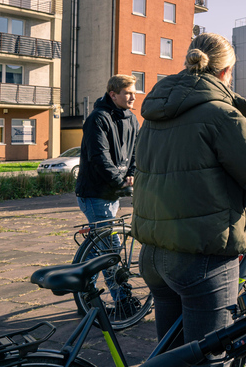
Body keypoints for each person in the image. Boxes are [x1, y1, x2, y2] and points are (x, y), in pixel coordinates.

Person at [132, 33, 246, 345]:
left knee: (173, 354)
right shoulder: (221, 114)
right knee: (210, 355)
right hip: (202, 255)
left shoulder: (154, 114)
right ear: (226, 72)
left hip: (155, 253)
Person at [75, 74, 140, 317]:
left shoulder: (132, 119)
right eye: (128, 92)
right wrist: (120, 181)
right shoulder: (97, 119)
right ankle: (122, 300)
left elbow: (136, 152)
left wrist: (131, 174)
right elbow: (98, 157)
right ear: (113, 94)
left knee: (96, 248)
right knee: (110, 247)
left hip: (112, 192)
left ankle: (83, 293)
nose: (133, 96)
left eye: (134, 92)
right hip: (95, 194)